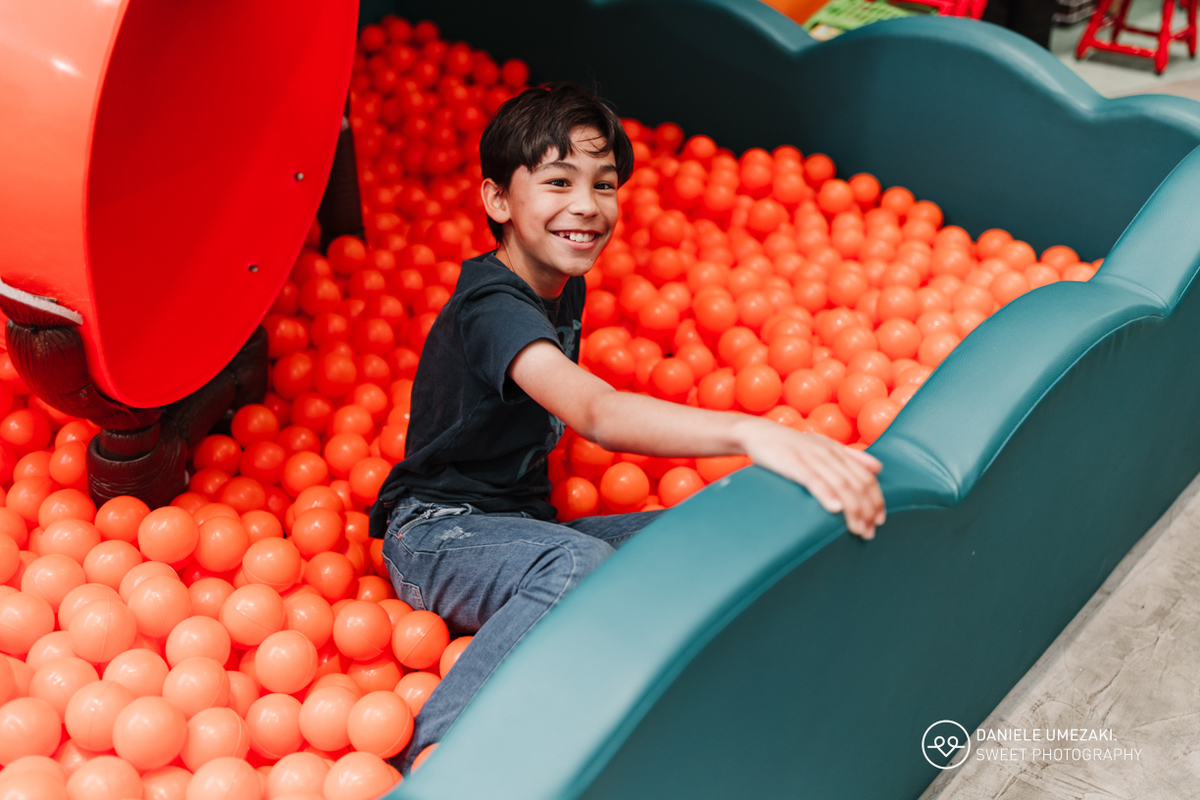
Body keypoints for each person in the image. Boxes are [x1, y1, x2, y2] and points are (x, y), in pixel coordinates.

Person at [369, 83, 886, 772]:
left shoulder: (563, 282)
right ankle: (434, 756)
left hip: (525, 529)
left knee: (697, 528)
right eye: (558, 181)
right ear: (497, 200)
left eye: (603, 184)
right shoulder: (492, 304)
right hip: (436, 532)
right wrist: (750, 432)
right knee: (579, 565)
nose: (586, 205)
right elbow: (596, 412)